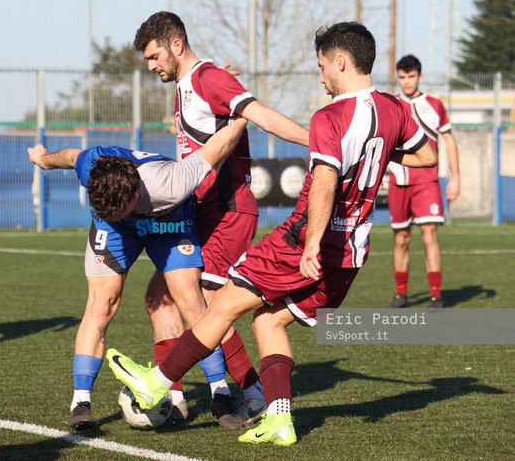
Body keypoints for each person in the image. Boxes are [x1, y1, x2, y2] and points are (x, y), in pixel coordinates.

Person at [106, 22, 437, 447]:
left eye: (322, 67)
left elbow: (323, 183)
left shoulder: (330, 116)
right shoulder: (393, 108)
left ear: (341, 61)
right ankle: (279, 418)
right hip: (352, 253)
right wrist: (378, 143)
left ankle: (158, 382)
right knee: (269, 320)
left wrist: (312, 241)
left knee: (221, 305)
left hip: (302, 242)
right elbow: (427, 154)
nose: (320, 77)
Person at [133, 10, 310, 427]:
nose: (151, 65)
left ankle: (251, 390)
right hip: (199, 211)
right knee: (160, 295)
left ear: (176, 45)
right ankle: (172, 397)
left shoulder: (207, 79)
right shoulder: (187, 82)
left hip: (228, 211)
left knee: (207, 303)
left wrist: (317, 139)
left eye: (155, 56)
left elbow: (259, 114)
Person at [27, 118, 249, 431]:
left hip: (169, 223)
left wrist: (242, 113)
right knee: (101, 304)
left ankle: (220, 392)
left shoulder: (171, 182)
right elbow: (70, 157)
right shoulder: (94, 168)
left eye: (119, 208)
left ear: (134, 195)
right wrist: (42, 161)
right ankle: (81, 401)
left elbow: (218, 147)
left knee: (190, 300)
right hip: (117, 231)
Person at [386, 54, 460, 309]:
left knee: (429, 237)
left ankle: (436, 295)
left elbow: (448, 140)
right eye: (402, 77)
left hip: (427, 182)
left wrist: (456, 177)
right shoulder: (391, 104)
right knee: (401, 239)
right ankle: (401, 294)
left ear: (420, 76)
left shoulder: (435, 105)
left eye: (411, 76)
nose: (406, 82)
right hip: (398, 182)